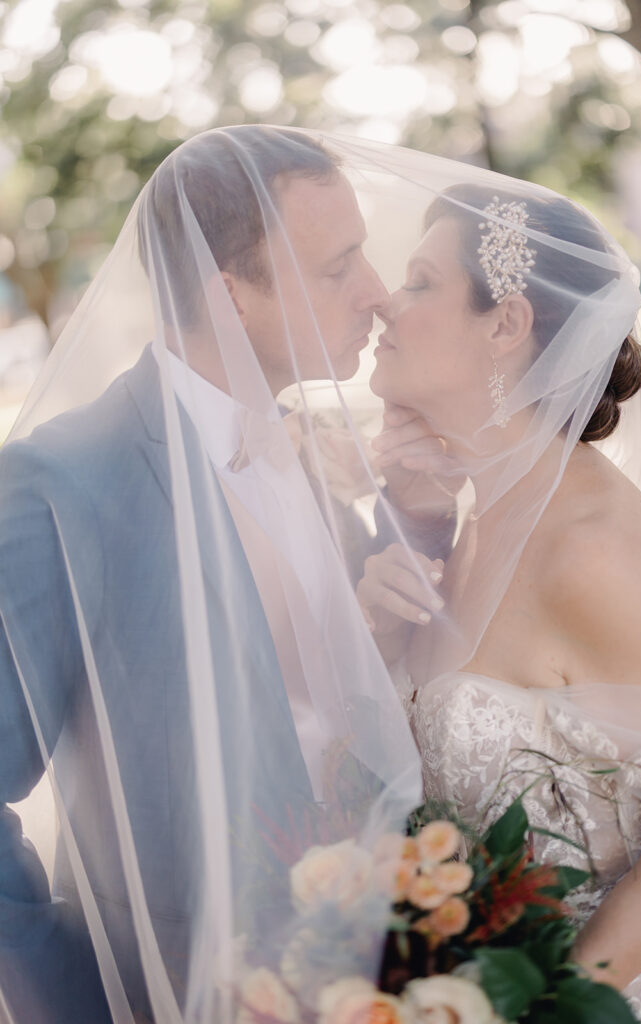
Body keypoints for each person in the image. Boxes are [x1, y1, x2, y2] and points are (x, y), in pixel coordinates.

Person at [0, 126, 435, 1023]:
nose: (378, 293)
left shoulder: (310, 458)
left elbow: (333, 710)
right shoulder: (64, 482)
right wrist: (76, 995)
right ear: (230, 293)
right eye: (338, 265)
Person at [357, 181, 641, 1022]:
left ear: (504, 324)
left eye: (422, 282)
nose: (387, 303)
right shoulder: (466, 524)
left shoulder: (591, 547)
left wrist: (564, 1000)